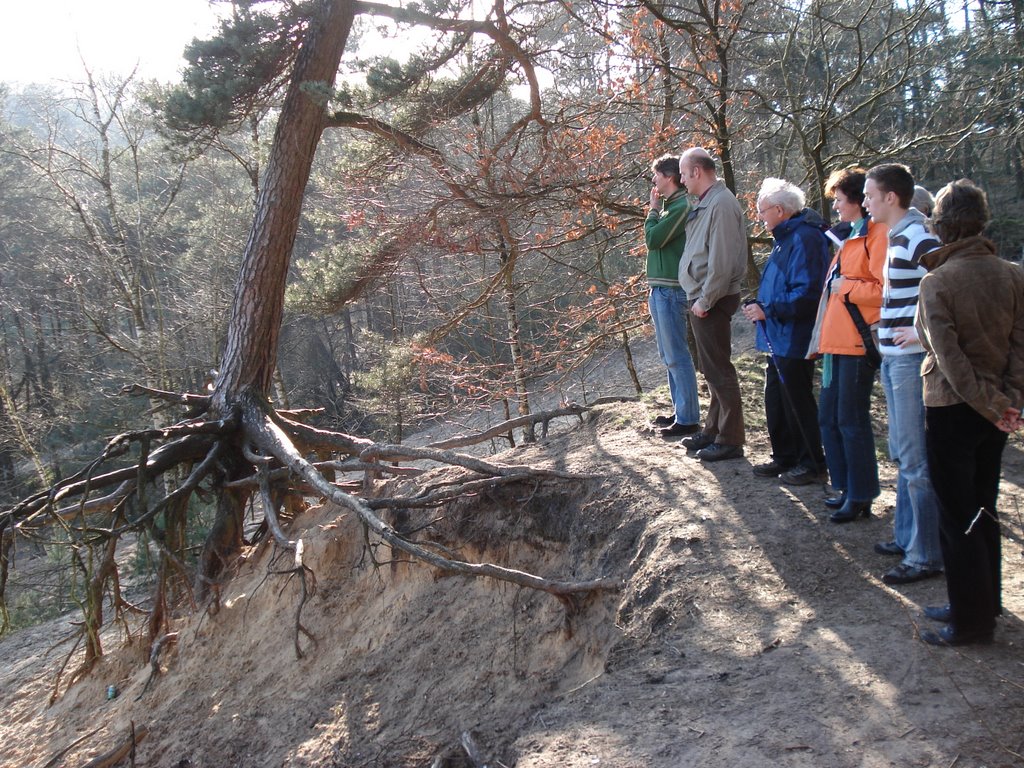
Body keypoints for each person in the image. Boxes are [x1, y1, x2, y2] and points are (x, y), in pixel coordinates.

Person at [915, 179, 1024, 646]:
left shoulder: (938, 281)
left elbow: (950, 359)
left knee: (959, 514)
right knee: (982, 507)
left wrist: (999, 403)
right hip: (995, 410)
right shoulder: (1013, 273)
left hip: (955, 407)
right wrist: (1008, 402)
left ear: (942, 224)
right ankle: (980, 602)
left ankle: (972, 621)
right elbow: (1020, 349)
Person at [863, 163, 943, 585]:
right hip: (894, 360)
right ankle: (908, 536)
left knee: (915, 459)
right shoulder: (896, 238)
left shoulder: (919, 237)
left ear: (891, 197)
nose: (865, 202)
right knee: (901, 452)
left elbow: (947, 285)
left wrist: (918, 332)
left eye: (870, 195)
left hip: (911, 363)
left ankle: (925, 554)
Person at [807, 167, 884, 522]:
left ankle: (861, 494)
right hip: (837, 343)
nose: (835, 206)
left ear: (856, 201)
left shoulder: (876, 235)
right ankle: (846, 488)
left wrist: (848, 287)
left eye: (839, 200)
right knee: (832, 418)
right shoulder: (851, 235)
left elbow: (886, 292)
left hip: (857, 344)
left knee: (851, 421)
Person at [742, 178, 829, 484]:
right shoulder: (784, 238)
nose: (760, 217)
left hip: (794, 335)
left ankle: (812, 463)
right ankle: (785, 456)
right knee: (776, 400)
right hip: (776, 334)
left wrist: (770, 309)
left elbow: (807, 292)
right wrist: (760, 304)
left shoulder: (805, 238)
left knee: (797, 400)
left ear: (779, 209)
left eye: (762, 211)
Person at [676, 148, 747, 462]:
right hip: (705, 296)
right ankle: (713, 430)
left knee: (719, 370)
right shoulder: (706, 203)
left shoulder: (721, 203)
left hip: (712, 298)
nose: (680, 179)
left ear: (696, 172)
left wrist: (706, 299)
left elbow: (721, 260)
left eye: (683, 173)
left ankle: (730, 439)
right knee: (712, 368)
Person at [644, 154, 701, 439]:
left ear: (668, 176)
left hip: (672, 291)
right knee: (669, 356)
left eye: (655, 175)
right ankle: (681, 411)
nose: (653, 180)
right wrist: (657, 211)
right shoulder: (670, 207)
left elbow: (653, 240)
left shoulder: (680, 206)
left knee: (677, 355)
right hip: (660, 290)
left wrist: (652, 211)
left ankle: (689, 418)